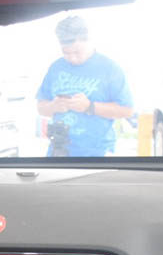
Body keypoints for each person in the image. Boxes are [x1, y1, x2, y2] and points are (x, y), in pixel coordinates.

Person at [36, 16, 134, 157]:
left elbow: (127, 110)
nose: (72, 58)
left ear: (88, 41)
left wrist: (89, 107)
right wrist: (53, 106)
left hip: (96, 153)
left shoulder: (109, 68)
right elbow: (41, 107)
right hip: (58, 152)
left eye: (77, 52)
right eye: (66, 53)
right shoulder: (56, 67)